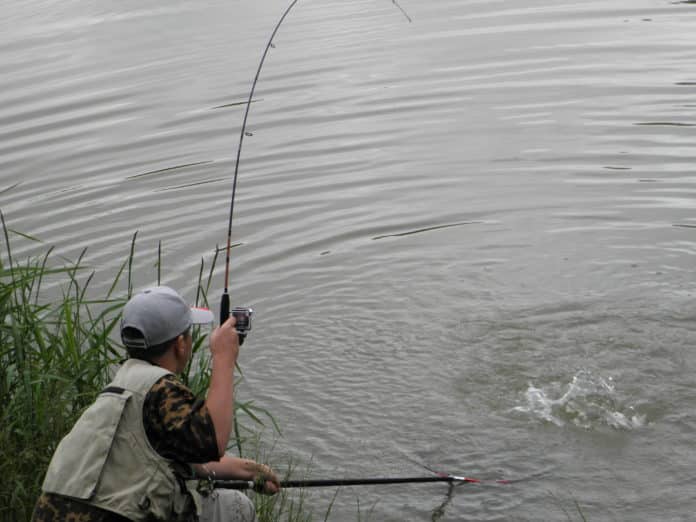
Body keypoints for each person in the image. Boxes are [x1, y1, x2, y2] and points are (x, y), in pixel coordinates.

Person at [32, 285, 280, 522]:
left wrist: (250, 470)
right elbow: (213, 441)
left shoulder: (117, 389)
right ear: (181, 345)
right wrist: (224, 357)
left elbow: (186, 456)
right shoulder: (160, 389)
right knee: (235, 506)